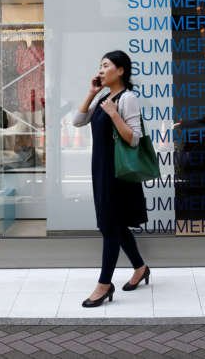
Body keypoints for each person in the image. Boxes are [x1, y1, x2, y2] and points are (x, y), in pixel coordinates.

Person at [73, 50, 150, 308]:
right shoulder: (105, 97)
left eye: (106, 65)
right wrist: (92, 93)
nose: (101, 70)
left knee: (109, 228)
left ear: (121, 70)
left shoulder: (127, 98)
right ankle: (140, 267)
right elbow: (77, 121)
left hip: (118, 172)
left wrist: (115, 114)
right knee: (115, 225)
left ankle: (104, 284)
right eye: (100, 66)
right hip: (102, 169)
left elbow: (134, 138)